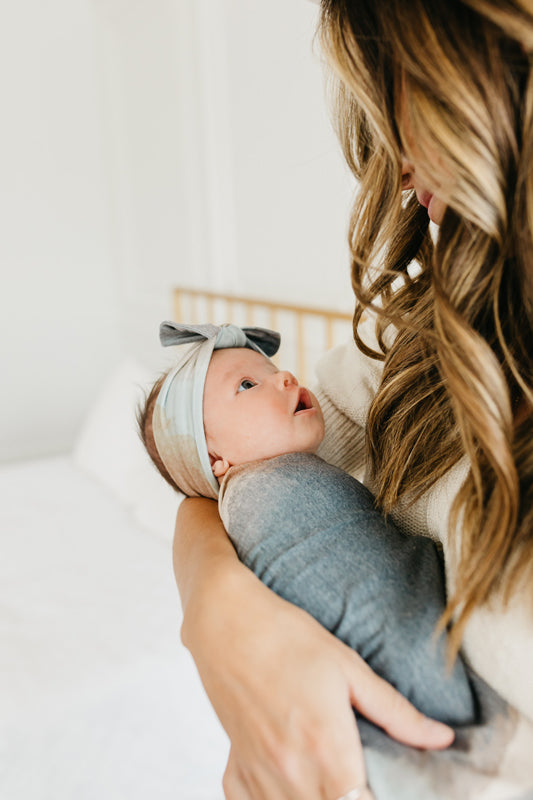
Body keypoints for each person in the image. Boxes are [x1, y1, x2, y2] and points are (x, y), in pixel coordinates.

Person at [172, 2, 533, 798]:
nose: (398, 172)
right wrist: (219, 619)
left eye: (411, 104)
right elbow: (208, 483)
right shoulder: (423, 344)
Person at [137, 320, 477, 729]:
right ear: (214, 461)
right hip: (427, 690)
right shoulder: (267, 493)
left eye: (269, 371)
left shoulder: (275, 476)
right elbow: (370, 612)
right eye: (247, 385)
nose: (284, 375)